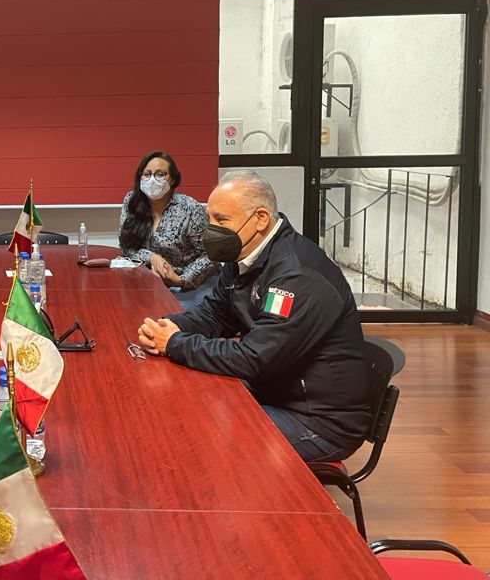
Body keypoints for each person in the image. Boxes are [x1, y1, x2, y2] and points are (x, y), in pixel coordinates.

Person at [135, 171, 371, 462]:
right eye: (210, 219)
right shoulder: (244, 256)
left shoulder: (296, 276)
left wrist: (174, 343)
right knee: (187, 407)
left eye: (221, 220)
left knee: (198, 437)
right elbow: (215, 313)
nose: (210, 230)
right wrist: (168, 326)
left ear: (260, 218)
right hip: (275, 393)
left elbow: (254, 359)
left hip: (318, 422)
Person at [119, 151, 218, 292]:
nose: (152, 180)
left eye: (160, 174)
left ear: (172, 179)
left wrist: (181, 280)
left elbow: (210, 256)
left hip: (189, 285)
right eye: (147, 174)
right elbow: (126, 246)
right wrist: (152, 257)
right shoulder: (132, 201)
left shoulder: (190, 208)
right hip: (146, 283)